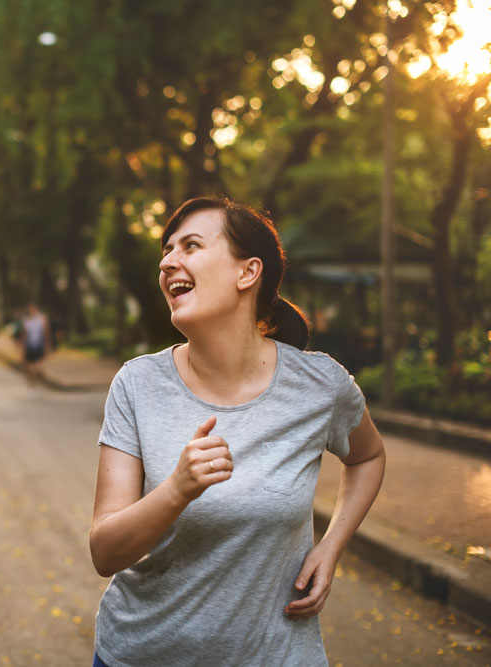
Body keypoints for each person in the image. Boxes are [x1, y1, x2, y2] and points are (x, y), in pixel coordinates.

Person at [89, 197, 385, 666]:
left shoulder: (319, 385)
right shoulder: (137, 384)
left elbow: (367, 457)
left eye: (190, 246)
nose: (168, 262)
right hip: (142, 654)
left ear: (247, 273)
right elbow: (104, 552)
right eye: (167, 251)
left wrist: (331, 546)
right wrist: (177, 489)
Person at [20, 303, 50, 390]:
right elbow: (24, 336)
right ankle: (32, 384)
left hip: (39, 346)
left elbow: (46, 334)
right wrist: (23, 348)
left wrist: (47, 346)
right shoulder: (26, 321)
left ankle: (39, 382)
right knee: (29, 367)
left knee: (39, 367)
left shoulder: (42, 319)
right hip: (29, 346)